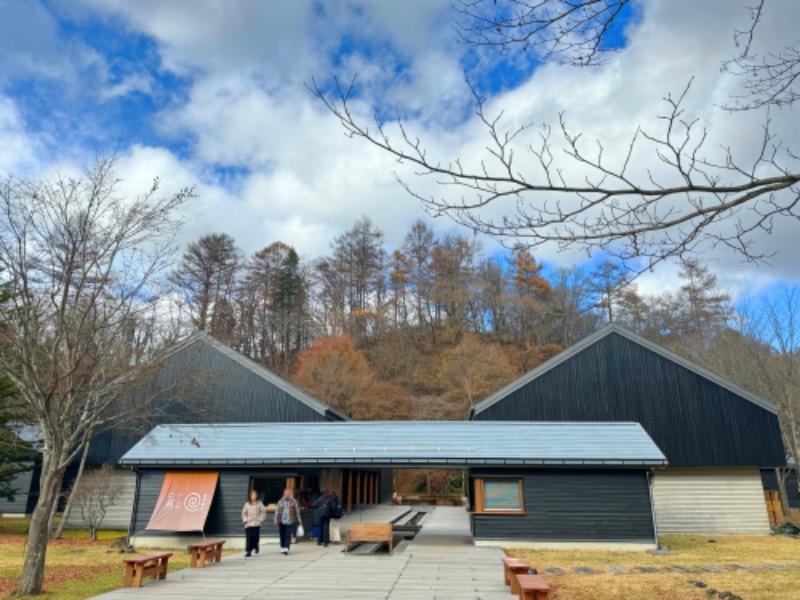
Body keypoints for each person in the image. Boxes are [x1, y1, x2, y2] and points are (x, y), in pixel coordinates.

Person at [274, 487, 302, 555]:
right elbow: (277, 511)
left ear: (290, 494)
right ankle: (282, 547)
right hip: (281, 520)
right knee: (282, 534)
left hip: (290, 521)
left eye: (288, 494)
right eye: (286, 494)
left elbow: (297, 511)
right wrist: (275, 519)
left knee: (288, 534)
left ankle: (286, 547)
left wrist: (299, 519)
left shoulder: (294, 501)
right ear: (284, 494)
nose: (287, 495)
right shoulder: (280, 501)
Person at [241, 489, 265, 558]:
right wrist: (245, 520)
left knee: (255, 537)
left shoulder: (259, 503)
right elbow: (243, 513)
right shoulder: (247, 504)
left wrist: (260, 519)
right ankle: (248, 551)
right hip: (248, 524)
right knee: (249, 538)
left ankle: (256, 546)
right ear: (250, 496)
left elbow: (263, 512)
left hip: (256, 523)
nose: (254, 496)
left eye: (255, 495)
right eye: (252, 495)